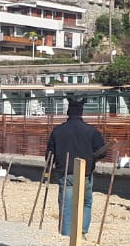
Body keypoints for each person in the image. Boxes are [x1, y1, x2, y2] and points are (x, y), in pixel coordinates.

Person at [45, 96, 107, 236]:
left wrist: (50, 169)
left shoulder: (57, 131)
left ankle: (67, 235)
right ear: (81, 113)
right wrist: (91, 158)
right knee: (86, 202)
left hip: (65, 173)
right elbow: (102, 152)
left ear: (68, 112)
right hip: (85, 173)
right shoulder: (91, 131)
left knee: (67, 206)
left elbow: (49, 154)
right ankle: (82, 231)